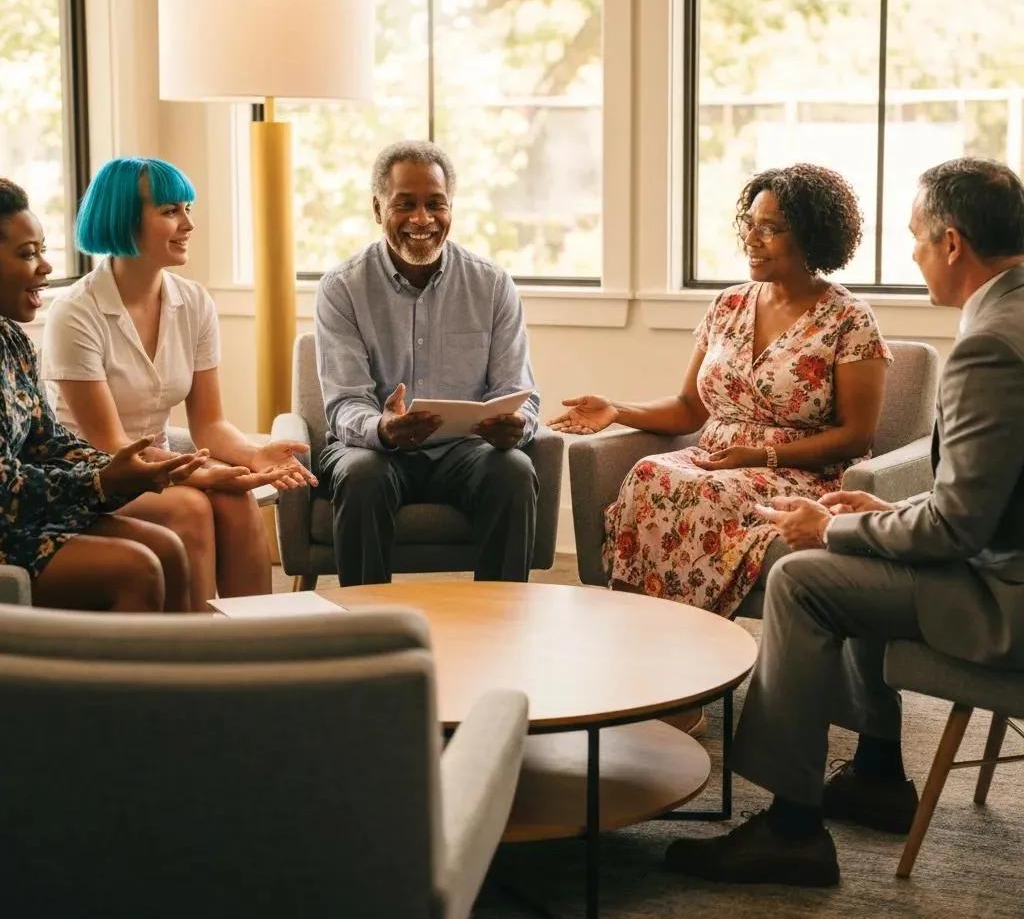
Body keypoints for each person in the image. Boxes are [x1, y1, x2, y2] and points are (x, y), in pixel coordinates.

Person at [663, 156, 1024, 888]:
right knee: (866, 553)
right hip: (999, 560)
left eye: (919, 239)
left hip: (1005, 602)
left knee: (803, 579)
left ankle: (793, 830)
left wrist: (828, 528)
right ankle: (878, 774)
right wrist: (885, 512)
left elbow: (955, 529)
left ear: (953, 244)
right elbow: (983, 503)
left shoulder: (991, 344)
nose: (915, 254)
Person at [550, 163, 891, 616]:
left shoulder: (850, 319)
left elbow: (856, 437)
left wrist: (760, 456)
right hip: (717, 458)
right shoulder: (728, 303)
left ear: (811, 236)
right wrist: (616, 409)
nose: (751, 239)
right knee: (650, 472)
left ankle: (698, 639)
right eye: (749, 225)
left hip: (801, 472)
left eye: (770, 229)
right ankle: (642, 628)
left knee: (707, 493)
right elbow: (689, 409)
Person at [41, 157, 315, 610]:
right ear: (123, 218)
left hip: (166, 462)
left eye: (187, 208)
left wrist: (253, 455)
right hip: (97, 474)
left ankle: (260, 653)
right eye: (170, 210)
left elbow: (209, 424)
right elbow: (109, 445)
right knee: (192, 507)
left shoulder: (194, 302)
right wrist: (203, 472)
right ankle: (194, 658)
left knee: (239, 504)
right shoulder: (74, 312)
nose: (189, 223)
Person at [315, 140, 540, 585]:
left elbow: (519, 392)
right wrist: (381, 429)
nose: (423, 219)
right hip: (376, 452)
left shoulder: (492, 286)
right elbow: (344, 403)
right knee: (361, 476)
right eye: (406, 204)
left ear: (451, 208)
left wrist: (515, 424)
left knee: (513, 470)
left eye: (436, 204)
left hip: (463, 453)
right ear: (378, 209)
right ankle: (367, 631)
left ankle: (502, 621)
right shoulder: (342, 288)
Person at [0, 177, 208, 611]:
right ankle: (124, 680)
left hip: (26, 515)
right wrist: (102, 480)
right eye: (27, 254)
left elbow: (49, 443)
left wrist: (125, 469)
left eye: (41, 250)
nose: (45, 267)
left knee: (168, 549)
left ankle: (195, 675)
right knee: (139, 567)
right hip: (9, 524)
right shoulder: (75, 311)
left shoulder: (13, 342)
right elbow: (7, 488)